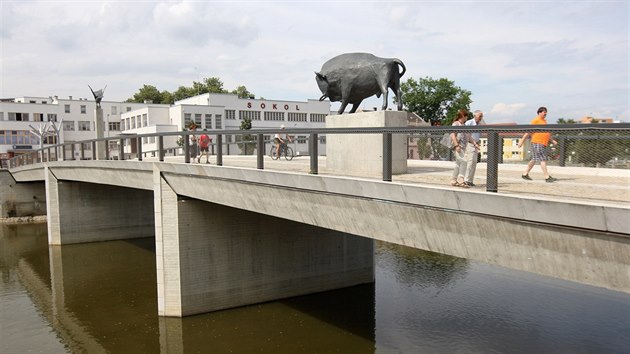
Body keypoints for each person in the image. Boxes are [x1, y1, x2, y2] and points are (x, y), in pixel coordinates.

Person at [518, 106, 558, 182]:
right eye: (544, 112)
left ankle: (525, 174)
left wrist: (552, 140)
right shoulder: (536, 120)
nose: (545, 113)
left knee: (534, 159)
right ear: (539, 112)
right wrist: (521, 141)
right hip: (537, 142)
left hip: (543, 143)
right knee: (543, 159)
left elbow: (547, 133)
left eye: (546, 112)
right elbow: (528, 132)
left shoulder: (544, 121)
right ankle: (547, 177)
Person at [463, 110, 484, 186]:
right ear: (475, 116)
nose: (481, 118)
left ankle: (470, 180)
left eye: (482, 116)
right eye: (480, 116)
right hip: (470, 144)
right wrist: (474, 143)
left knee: (474, 162)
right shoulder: (469, 123)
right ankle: (466, 180)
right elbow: (467, 135)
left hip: (476, 144)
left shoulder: (480, 124)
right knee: (470, 162)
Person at [450, 109, 469, 188]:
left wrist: (474, 143)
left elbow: (468, 136)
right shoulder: (456, 124)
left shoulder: (463, 125)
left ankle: (453, 180)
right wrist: (456, 145)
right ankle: (461, 179)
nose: (467, 118)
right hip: (458, 146)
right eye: (466, 116)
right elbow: (452, 134)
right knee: (464, 161)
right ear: (463, 116)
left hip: (463, 146)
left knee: (458, 163)